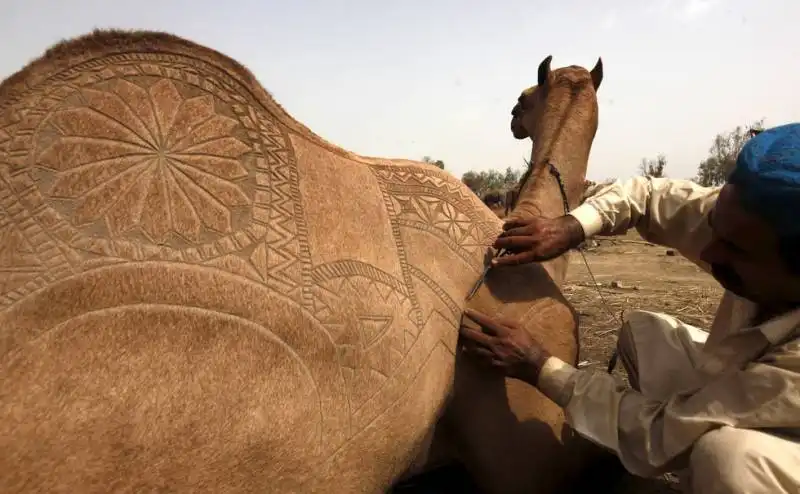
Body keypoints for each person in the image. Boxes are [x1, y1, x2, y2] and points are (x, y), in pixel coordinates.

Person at [459, 123, 800, 494]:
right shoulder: (752, 215)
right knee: (644, 334)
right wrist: (573, 226)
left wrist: (539, 366)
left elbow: (662, 432)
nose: (708, 252)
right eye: (715, 227)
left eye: (737, 251)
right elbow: (650, 195)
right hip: (750, 381)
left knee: (728, 459)